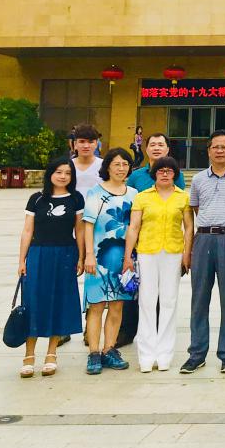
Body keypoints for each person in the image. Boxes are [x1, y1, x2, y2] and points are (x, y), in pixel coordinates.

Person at [180, 130, 225, 375]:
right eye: (215, 147)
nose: (220, 151)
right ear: (209, 151)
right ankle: (197, 354)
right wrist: (190, 249)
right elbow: (195, 211)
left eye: (224, 147)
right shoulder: (199, 179)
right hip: (203, 239)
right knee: (199, 298)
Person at [123, 156, 193, 373]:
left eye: (169, 170)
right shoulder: (142, 197)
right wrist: (128, 256)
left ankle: (164, 354)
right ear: (154, 174)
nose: (165, 173)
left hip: (173, 253)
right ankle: (146, 355)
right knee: (147, 301)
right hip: (147, 252)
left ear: (175, 174)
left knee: (169, 302)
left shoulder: (183, 197)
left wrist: (187, 254)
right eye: (161, 170)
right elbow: (134, 227)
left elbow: (189, 228)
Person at [17, 156, 85, 378]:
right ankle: (29, 355)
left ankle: (51, 353)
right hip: (39, 254)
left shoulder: (76, 199)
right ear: (50, 174)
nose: (63, 176)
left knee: (59, 301)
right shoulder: (36, 199)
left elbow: (80, 230)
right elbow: (28, 230)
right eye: (59, 172)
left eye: (68, 173)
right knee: (33, 302)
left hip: (65, 254)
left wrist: (81, 257)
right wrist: (22, 260)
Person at [116, 132, 180, 349]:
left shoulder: (174, 174)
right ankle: (127, 331)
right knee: (132, 287)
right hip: (138, 241)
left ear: (167, 149)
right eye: (152, 144)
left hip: (162, 242)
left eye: (161, 144)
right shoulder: (136, 176)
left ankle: (158, 333)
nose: (156, 148)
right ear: (146, 148)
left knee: (160, 291)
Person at [82, 147, 139, 375]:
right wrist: (88, 255)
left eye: (125, 164)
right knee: (96, 306)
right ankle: (94, 353)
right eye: (116, 164)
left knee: (117, 305)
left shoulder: (134, 193)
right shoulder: (96, 192)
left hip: (125, 260)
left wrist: (131, 257)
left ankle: (109, 349)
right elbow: (88, 225)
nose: (121, 168)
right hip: (98, 258)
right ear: (107, 167)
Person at [70, 124, 104, 194]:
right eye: (82, 141)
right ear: (75, 144)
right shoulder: (67, 166)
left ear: (96, 144)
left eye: (90, 142)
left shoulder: (104, 166)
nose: (86, 146)